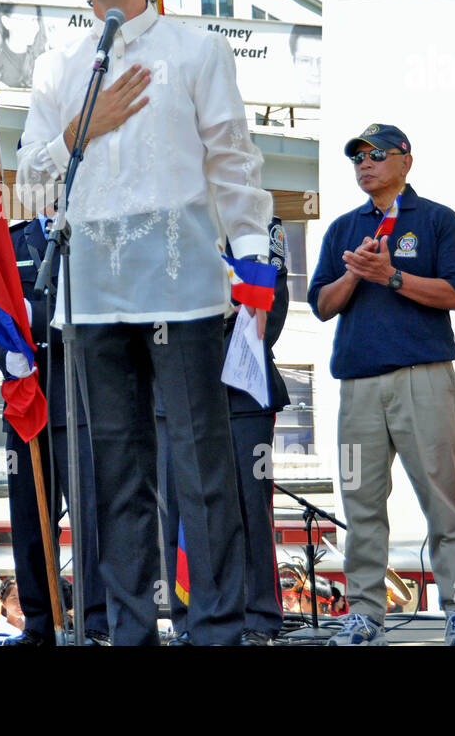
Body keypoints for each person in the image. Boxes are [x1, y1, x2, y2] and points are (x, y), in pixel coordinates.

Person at [16, 0, 273, 646]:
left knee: (200, 463)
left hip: (181, 286)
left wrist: (253, 250)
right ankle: (130, 629)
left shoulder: (196, 52)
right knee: (113, 471)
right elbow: (30, 182)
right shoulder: (60, 67)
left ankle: (217, 627)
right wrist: (79, 129)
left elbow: (232, 159)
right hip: (92, 293)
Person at [308, 123, 455, 646]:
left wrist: (393, 277)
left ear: (406, 160)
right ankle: (364, 612)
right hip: (358, 387)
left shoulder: (436, 220)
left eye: (377, 155)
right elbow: (320, 305)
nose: (365, 164)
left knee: (441, 499)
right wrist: (358, 274)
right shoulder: (344, 228)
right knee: (361, 502)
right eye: (357, 157)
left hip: (422, 380)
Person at [159, 218, 291, 646]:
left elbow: (274, 305)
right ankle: (190, 617)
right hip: (178, 389)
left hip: (242, 389)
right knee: (180, 508)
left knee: (249, 507)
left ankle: (258, 617)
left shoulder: (253, 221)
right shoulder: (167, 218)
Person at [0, 207, 109, 646]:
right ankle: (40, 622)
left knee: (92, 519)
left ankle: (96, 622)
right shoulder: (11, 243)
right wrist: (5, 356)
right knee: (31, 518)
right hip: (29, 397)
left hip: (84, 397)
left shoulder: (96, 231)